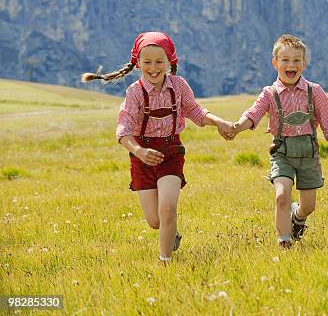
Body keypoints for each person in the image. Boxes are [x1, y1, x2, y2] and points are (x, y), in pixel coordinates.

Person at [82, 32, 235, 262]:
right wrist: (139, 151)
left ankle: (165, 262)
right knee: (155, 221)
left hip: (171, 151)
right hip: (141, 156)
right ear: (138, 64)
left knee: (167, 209)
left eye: (159, 62)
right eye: (147, 62)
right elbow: (123, 130)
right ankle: (170, 232)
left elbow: (195, 111)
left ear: (169, 62)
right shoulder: (135, 92)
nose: (153, 68)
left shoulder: (179, 86)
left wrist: (219, 122)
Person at [232, 34, 328, 248]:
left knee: (309, 206)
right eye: (285, 60)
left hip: (308, 153)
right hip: (282, 153)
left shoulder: (315, 92)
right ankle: (284, 242)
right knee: (282, 195)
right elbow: (254, 113)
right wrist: (238, 126)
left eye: (296, 60)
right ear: (275, 62)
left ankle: (298, 216)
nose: (291, 65)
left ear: (304, 64)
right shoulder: (269, 93)